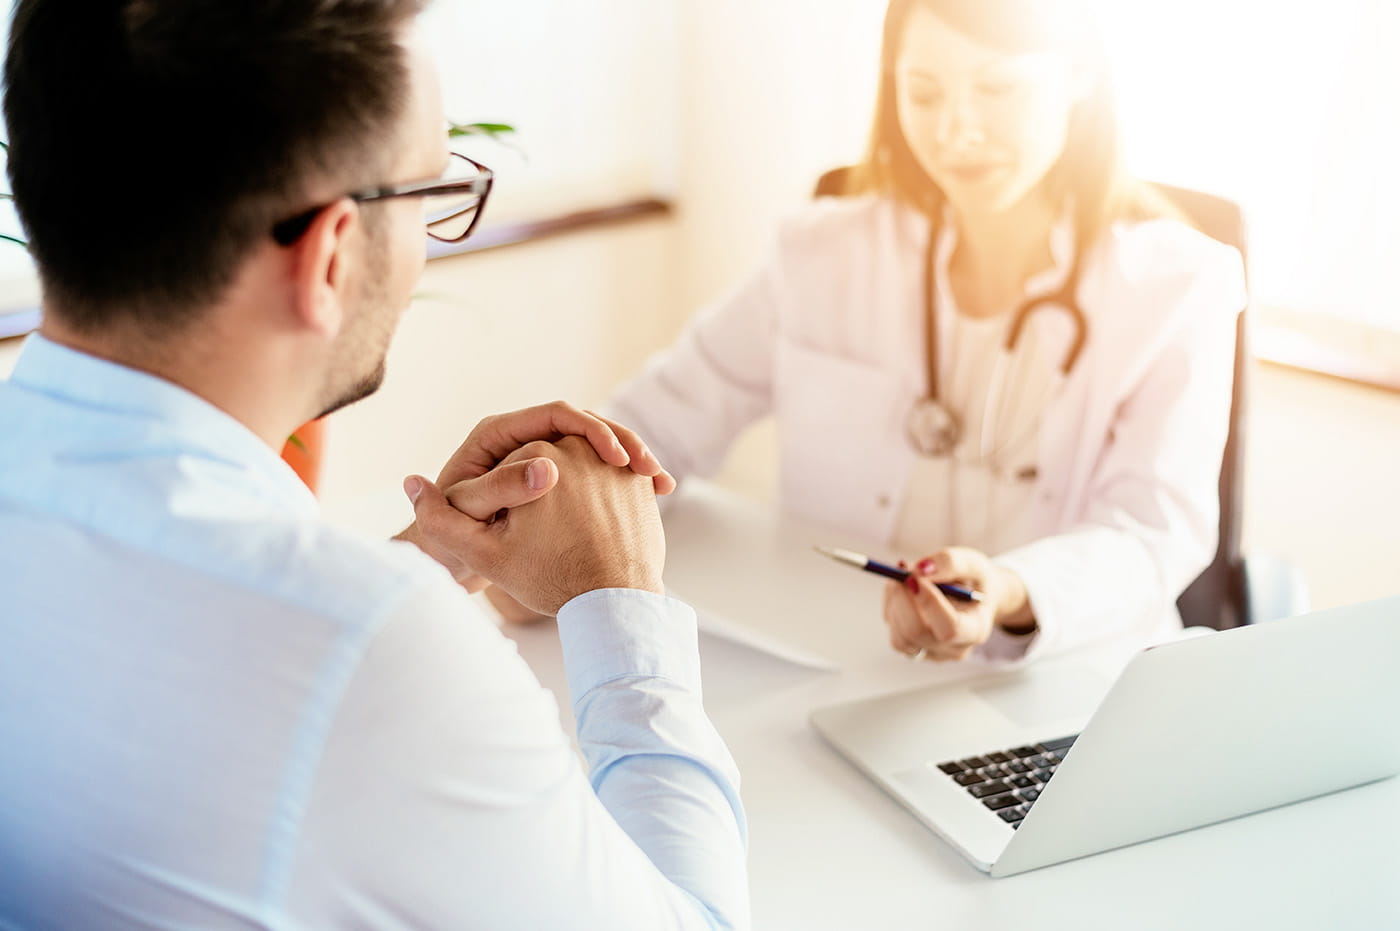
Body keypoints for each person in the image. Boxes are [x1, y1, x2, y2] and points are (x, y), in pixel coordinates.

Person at [0, 1, 748, 928]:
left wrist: (413, 564)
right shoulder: (368, 650)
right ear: (331, 256)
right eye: (431, 190)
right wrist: (621, 605)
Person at [595, 0, 1247, 664]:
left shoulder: (1176, 286)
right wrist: (563, 515)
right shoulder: (822, 255)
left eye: (996, 88)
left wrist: (1009, 589)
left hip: (1067, 676)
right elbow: (655, 427)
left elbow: (1150, 533)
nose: (956, 130)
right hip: (853, 660)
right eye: (925, 92)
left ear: (1078, 73)